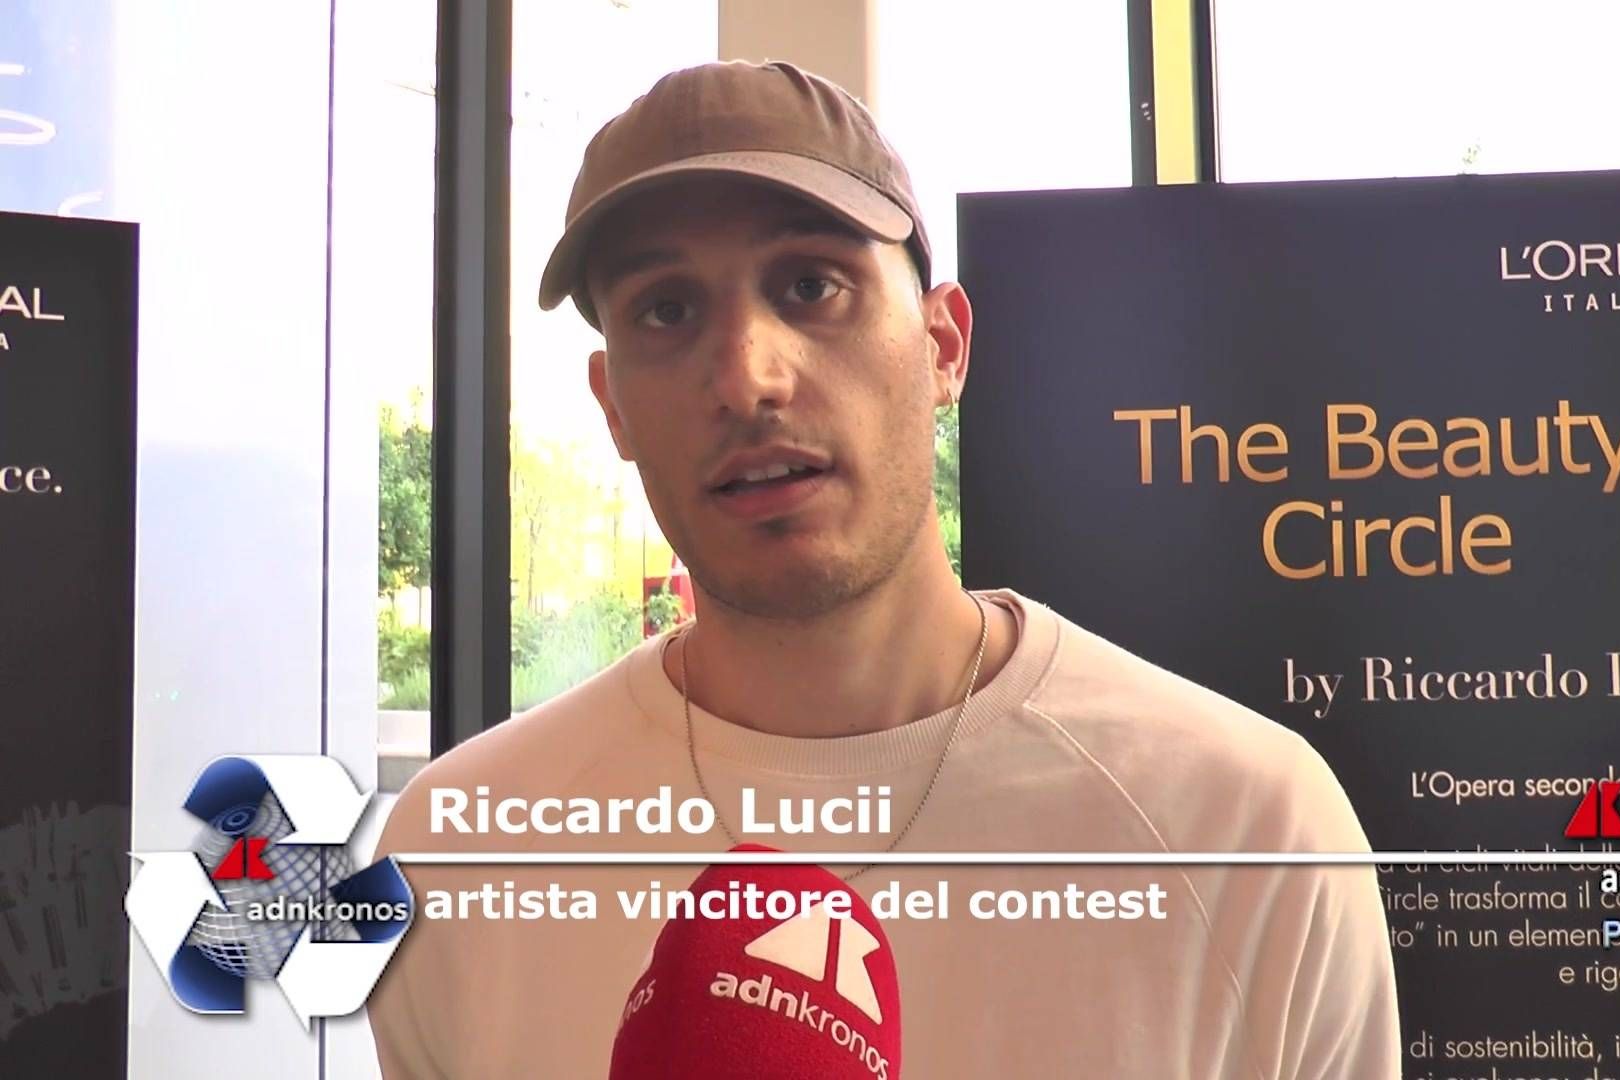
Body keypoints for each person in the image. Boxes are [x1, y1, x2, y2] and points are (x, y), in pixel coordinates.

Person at [371, 59, 1399, 1079]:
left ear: (944, 345)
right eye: (667, 311)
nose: (748, 379)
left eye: (811, 286)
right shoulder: (458, 861)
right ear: (613, 408)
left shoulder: (1249, 833)